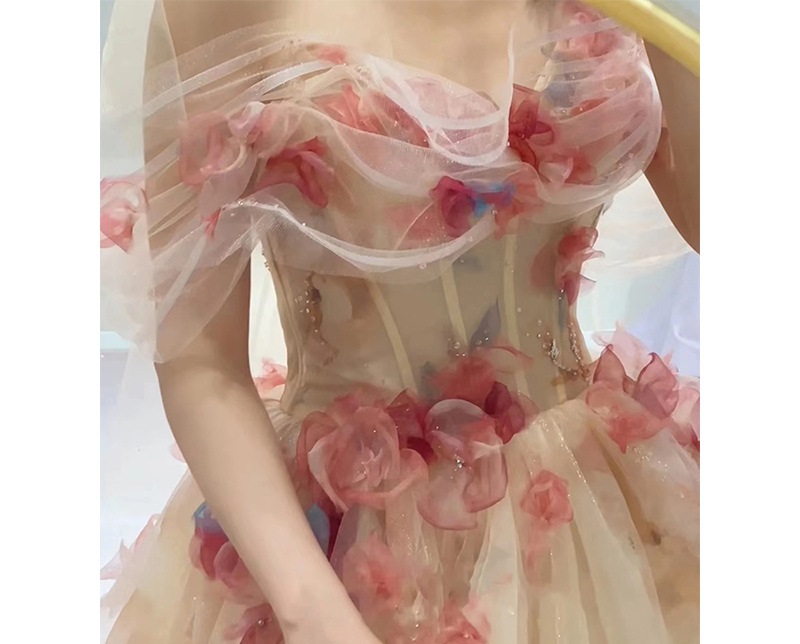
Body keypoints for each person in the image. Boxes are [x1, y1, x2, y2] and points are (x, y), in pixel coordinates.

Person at [99, 1, 699, 642]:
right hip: (340, 539)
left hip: (592, 503)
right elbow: (200, 358)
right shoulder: (219, 10)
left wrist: (678, 24)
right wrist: (310, 610)